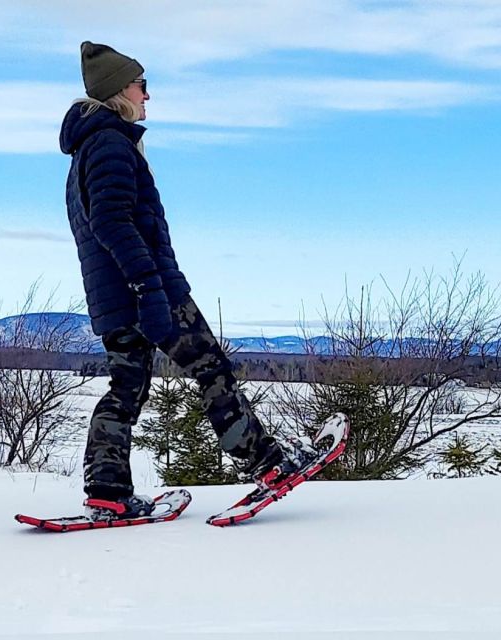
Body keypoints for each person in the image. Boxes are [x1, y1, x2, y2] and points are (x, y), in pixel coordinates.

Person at [59, 42, 314, 520]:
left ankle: (108, 492)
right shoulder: (110, 143)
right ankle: (268, 464)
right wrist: (149, 287)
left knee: (126, 388)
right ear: (119, 90)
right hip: (148, 290)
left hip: (115, 297)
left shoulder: (88, 148)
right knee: (211, 368)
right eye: (142, 85)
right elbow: (113, 223)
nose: (147, 96)